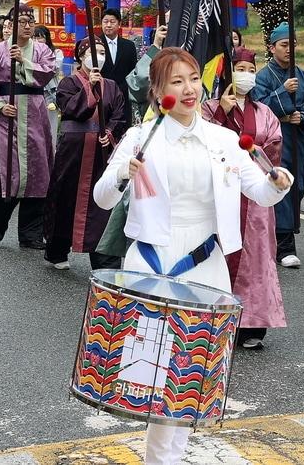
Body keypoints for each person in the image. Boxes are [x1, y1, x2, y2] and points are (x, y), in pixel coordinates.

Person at [92, 47, 292, 465]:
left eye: (193, 78)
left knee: (189, 376)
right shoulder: (139, 137)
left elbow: (260, 190)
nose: (188, 89)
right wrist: (122, 174)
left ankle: (167, 459)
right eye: (176, 81)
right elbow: (102, 198)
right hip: (149, 264)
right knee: (150, 376)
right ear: (158, 91)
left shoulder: (224, 140)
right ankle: (159, 458)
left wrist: (280, 182)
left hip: (205, 266)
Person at [202, 47, 287, 350]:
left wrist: (256, 160)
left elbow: (274, 147)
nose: (246, 75)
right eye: (240, 68)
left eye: (251, 70)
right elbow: (205, 145)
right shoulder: (209, 109)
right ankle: (217, 318)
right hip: (222, 193)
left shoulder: (265, 112)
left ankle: (253, 323)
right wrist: (223, 114)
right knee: (220, 254)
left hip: (254, 196)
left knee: (257, 257)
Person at [0, 6, 56, 249]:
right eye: (22, 21)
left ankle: (30, 234)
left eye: (30, 21)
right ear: (11, 24)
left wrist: (24, 60)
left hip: (36, 111)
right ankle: (1, 218)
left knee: (39, 171)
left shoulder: (41, 50)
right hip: (8, 116)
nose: (28, 25)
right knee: (11, 169)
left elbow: (47, 73)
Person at [45, 39, 129, 271]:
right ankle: (57, 248)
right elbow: (72, 109)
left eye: (102, 52)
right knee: (66, 199)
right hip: (73, 151)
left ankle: (103, 257)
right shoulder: (68, 83)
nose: (98, 57)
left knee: (101, 201)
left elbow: (120, 114)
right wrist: (89, 89)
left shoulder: (111, 85)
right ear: (81, 56)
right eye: (93, 52)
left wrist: (110, 132)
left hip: (101, 152)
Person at [250, 22, 304, 267]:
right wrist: (282, 94)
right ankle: (283, 247)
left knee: (296, 186)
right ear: (272, 48)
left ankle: (282, 242)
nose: (289, 49)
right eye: (283, 45)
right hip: (273, 143)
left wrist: (301, 117)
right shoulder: (262, 77)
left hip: (296, 140)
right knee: (276, 186)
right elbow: (256, 107)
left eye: (292, 44)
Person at [97, 8, 138, 103]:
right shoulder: (95, 44)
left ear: (119, 24)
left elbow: (133, 72)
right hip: (101, 95)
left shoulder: (129, 46)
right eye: (105, 22)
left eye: (112, 22)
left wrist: (122, 89)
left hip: (122, 96)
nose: (108, 25)